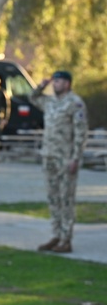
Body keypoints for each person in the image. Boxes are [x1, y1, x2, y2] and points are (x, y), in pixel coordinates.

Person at [29, 70, 88, 253]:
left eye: (59, 81)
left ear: (68, 84)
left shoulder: (75, 103)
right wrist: (41, 85)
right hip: (49, 156)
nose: (55, 84)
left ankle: (66, 239)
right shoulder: (50, 102)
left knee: (66, 199)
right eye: (54, 82)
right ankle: (56, 235)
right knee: (53, 197)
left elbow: (80, 133)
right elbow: (32, 98)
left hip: (66, 158)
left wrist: (75, 158)